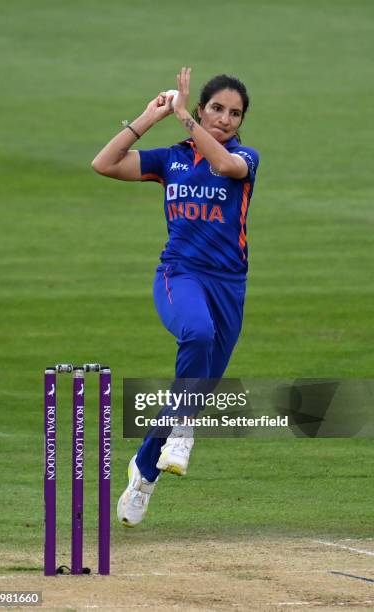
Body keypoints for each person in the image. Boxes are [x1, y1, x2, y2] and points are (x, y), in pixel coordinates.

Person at [92, 67, 260, 527]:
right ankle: (182, 431)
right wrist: (150, 116)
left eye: (234, 113)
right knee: (197, 334)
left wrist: (185, 116)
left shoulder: (246, 157)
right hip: (179, 275)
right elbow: (104, 163)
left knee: (195, 387)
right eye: (216, 109)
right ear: (204, 107)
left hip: (228, 286)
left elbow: (225, 166)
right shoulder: (172, 160)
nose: (224, 119)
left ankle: (145, 472)